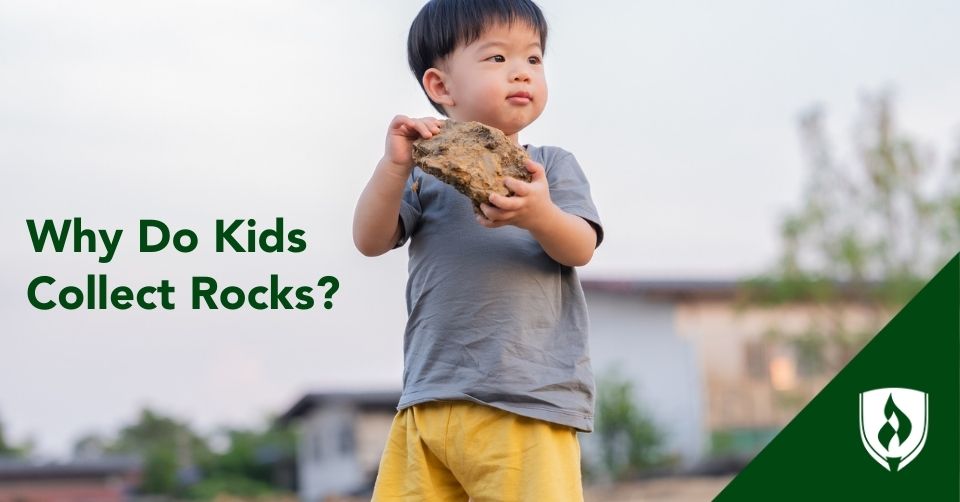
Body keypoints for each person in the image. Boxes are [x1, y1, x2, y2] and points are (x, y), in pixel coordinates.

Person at [353, 0, 603, 499]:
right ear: (441, 87)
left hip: (524, 403)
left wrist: (538, 214)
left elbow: (580, 247)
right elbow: (369, 239)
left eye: (533, 59)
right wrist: (394, 166)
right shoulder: (425, 172)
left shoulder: (547, 168)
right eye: (497, 59)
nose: (521, 73)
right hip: (427, 400)